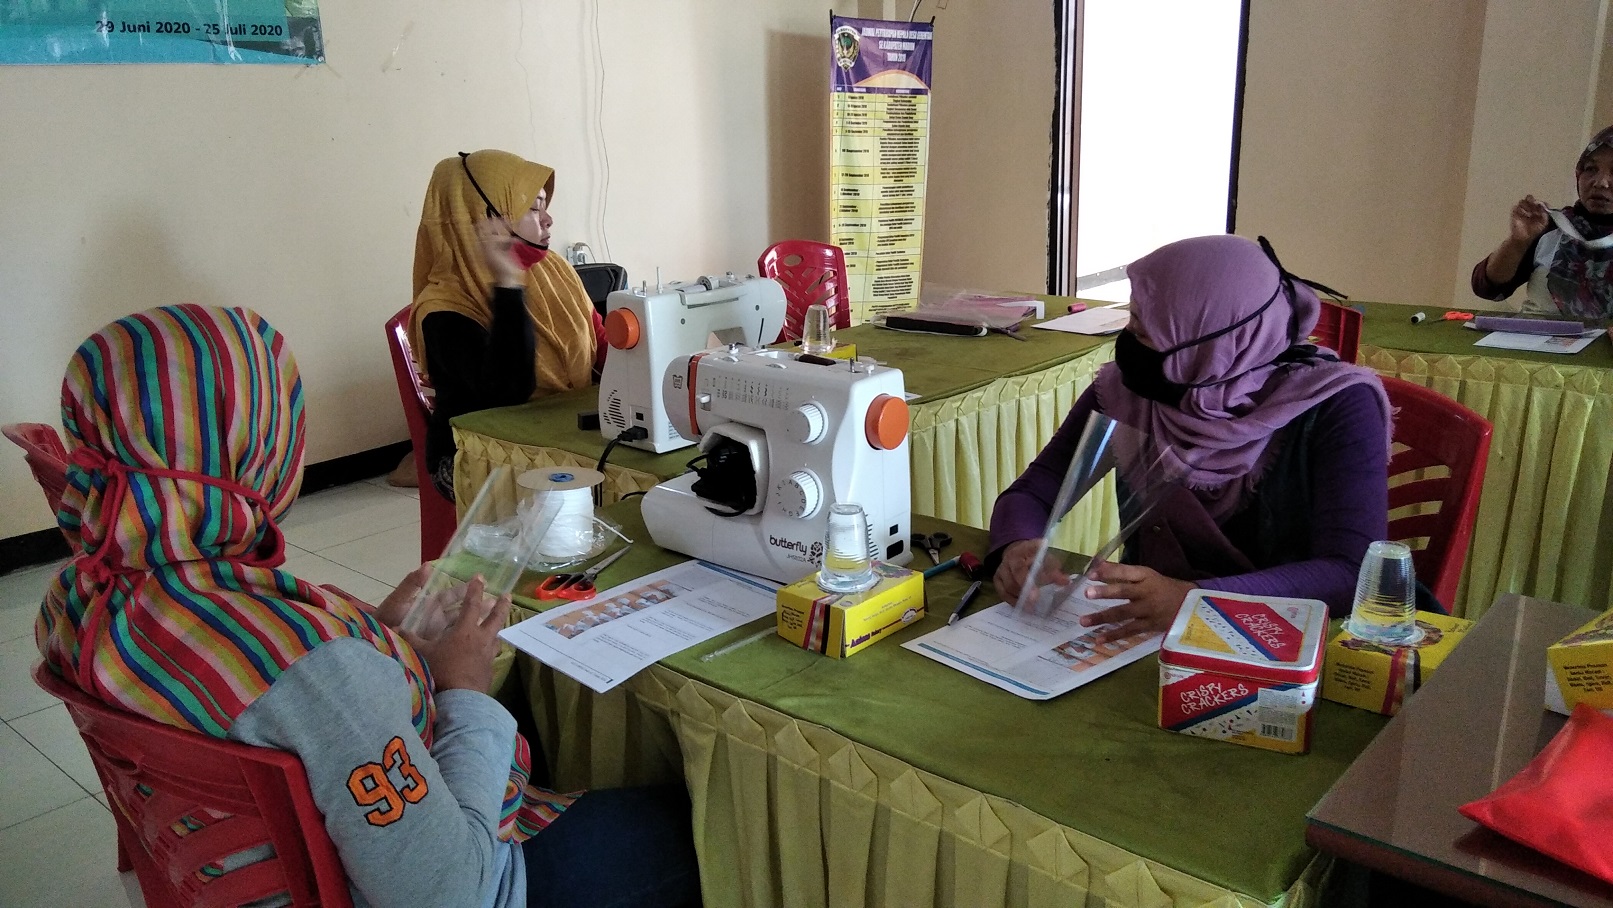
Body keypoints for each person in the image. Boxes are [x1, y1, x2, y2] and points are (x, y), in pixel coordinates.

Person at [36, 304, 698, 908]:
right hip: (481, 882)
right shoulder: (311, 670)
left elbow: (280, 711)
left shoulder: (79, 599)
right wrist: (463, 687)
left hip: (234, 866)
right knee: (698, 827)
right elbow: (449, 896)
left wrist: (378, 638)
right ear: (256, 443)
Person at [990, 235, 1393, 640]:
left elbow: (1351, 571)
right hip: (1148, 632)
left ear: (1214, 344)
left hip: (1291, 643)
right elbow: (1035, 489)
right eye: (1132, 319)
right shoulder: (1129, 393)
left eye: (1145, 331)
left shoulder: (1337, 407)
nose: (1128, 341)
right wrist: (1019, 545)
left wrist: (1195, 600)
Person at [410, 150, 607, 501]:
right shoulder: (444, 309)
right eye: (533, 208)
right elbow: (508, 391)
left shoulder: (555, 271)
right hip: (469, 453)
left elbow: (600, 342)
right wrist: (508, 284)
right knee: (583, 495)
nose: (548, 220)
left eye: (545, 206)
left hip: (554, 428)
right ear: (486, 217)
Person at [1471, 125, 1613, 318]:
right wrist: (1518, 243)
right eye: (1591, 169)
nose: (1600, 182)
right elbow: (1488, 288)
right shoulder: (1554, 226)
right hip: (1538, 344)